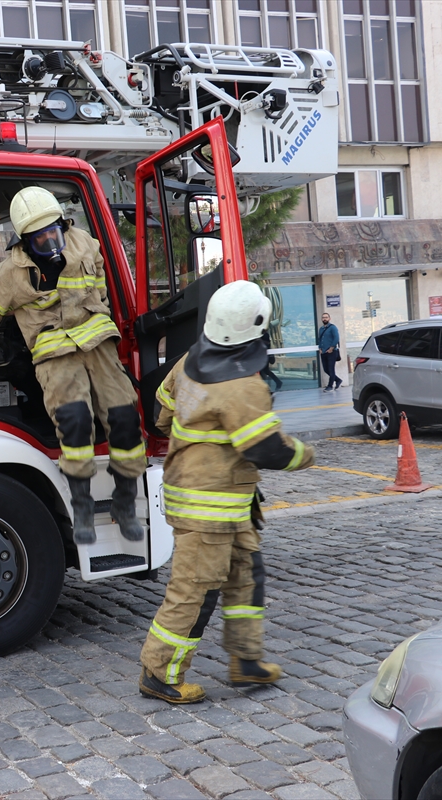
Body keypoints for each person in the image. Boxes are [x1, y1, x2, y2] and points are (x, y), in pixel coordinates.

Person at [138, 280, 315, 704]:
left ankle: (246, 661)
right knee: (194, 590)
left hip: (221, 503)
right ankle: (159, 672)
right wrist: (305, 455)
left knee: (245, 579)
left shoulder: (190, 360)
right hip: (209, 508)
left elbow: (163, 411)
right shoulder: (243, 386)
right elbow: (267, 449)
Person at [0, 186, 146, 545]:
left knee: (125, 419)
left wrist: (103, 312)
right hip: (54, 356)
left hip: (97, 344)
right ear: (24, 242)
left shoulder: (85, 244)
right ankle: (81, 507)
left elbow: (99, 284)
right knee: (75, 425)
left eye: (54, 232)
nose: (50, 242)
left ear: (62, 226)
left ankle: (125, 502)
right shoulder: (8, 274)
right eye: (40, 238)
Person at [318, 312, 341, 391]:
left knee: (331, 369)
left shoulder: (333, 327)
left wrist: (331, 347)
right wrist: (320, 348)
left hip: (331, 352)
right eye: (323, 317)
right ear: (321, 319)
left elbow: (336, 338)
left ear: (329, 318)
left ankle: (330, 386)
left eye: (326, 317)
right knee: (326, 369)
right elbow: (320, 339)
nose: (325, 319)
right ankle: (338, 380)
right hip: (323, 352)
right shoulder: (321, 329)